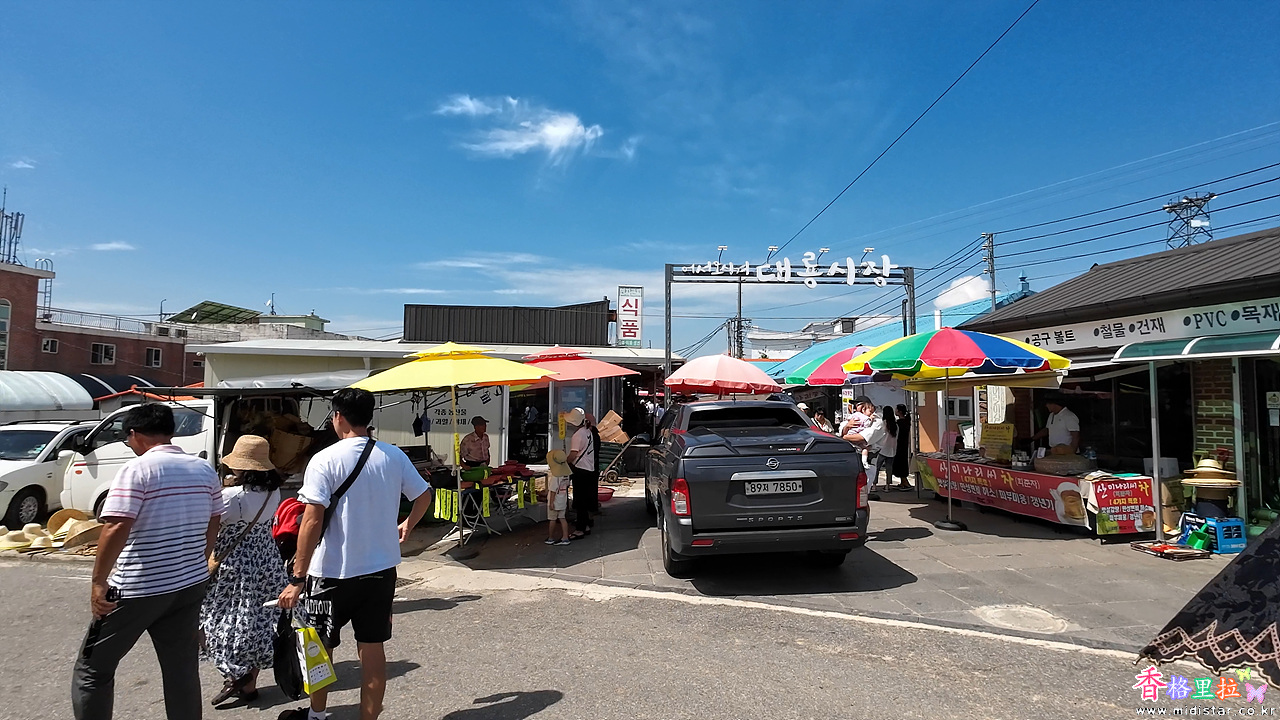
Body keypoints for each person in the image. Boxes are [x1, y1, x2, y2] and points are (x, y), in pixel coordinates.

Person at [277, 388, 434, 720]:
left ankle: (317, 715)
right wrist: (408, 525)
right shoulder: (393, 455)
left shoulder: (325, 459)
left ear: (338, 417)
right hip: (381, 570)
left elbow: (311, 521)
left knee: (320, 647)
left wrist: (297, 578)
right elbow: (424, 494)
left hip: (330, 572)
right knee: (372, 648)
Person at [73, 404, 223, 720]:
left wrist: (98, 581)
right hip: (189, 583)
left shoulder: (137, 469)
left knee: (93, 668)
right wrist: (198, 559)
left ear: (135, 434)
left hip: (138, 586)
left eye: (127, 438)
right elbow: (214, 520)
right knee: (181, 669)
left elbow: (116, 526)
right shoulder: (203, 469)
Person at [200, 435, 288, 707]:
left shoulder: (231, 497)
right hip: (267, 561)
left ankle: (235, 674)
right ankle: (249, 683)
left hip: (235, 566)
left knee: (214, 619)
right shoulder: (274, 493)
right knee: (258, 622)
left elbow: (210, 528)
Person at [843, 396, 888, 495]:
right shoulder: (855, 417)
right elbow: (842, 429)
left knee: (862, 494)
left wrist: (844, 437)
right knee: (852, 493)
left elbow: (863, 438)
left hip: (868, 460)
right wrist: (847, 426)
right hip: (852, 457)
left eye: (859, 405)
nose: (856, 408)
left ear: (867, 406)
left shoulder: (877, 421)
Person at [565, 407, 598, 540]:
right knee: (584, 499)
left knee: (580, 501)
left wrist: (564, 461)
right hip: (589, 468)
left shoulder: (577, 435)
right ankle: (585, 525)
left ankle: (580, 529)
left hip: (580, 470)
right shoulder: (587, 431)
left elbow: (573, 454)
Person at [544, 450, 572, 546]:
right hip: (562, 500)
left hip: (555, 501)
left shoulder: (555, 476)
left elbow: (553, 491)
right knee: (562, 518)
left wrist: (551, 503)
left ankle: (550, 537)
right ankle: (565, 537)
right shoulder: (566, 475)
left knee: (552, 519)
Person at [874, 406, 899, 491]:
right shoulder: (896, 426)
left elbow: (879, 436)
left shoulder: (883, 423)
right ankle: (887, 486)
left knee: (877, 467)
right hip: (892, 449)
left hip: (882, 448)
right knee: (889, 468)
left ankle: (874, 485)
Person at [891, 403, 912, 491]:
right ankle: (903, 482)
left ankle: (905, 482)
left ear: (899, 411)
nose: (895, 411)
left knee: (900, 463)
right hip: (904, 445)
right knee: (902, 462)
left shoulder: (899, 423)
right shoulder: (907, 422)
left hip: (899, 445)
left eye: (896, 409)